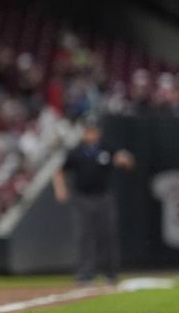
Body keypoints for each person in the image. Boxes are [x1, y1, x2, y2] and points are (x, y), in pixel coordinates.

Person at [53, 116, 135, 284]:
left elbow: (126, 160)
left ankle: (111, 273)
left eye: (93, 130)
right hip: (82, 198)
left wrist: (125, 160)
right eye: (87, 130)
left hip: (103, 196)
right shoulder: (76, 151)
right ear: (83, 132)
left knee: (107, 234)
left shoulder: (107, 148)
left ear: (98, 132)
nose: (90, 134)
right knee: (84, 236)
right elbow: (59, 171)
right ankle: (85, 275)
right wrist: (60, 190)